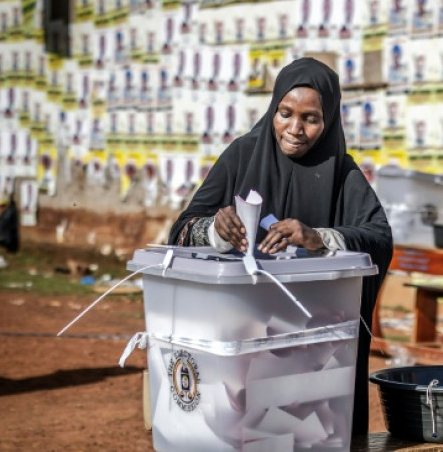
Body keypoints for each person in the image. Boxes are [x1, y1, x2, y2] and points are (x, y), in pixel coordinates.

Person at [168, 59, 393, 437]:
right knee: (243, 427)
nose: (295, 129)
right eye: (284, 113)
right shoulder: (242, 155)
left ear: (330, 120)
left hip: (315, 346)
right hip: (245, 329)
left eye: (311, 119)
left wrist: (319, 238)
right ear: (272, 109)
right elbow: (182, 229)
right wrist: (215, 229)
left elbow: (379, 238)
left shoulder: (342, 172)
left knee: (313, 433)